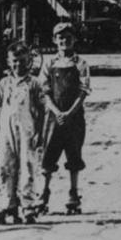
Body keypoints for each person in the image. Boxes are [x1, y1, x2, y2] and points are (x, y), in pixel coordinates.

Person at [39, 22, 92, 215]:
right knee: (48, 155)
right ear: (54, 40)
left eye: (68, 37)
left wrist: (69, 113)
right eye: (60, 37)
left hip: (74, 117)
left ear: (74, 40)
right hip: (53, 118)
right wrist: (56, 112)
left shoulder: (81, 63)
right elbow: (44, 91)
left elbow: (83, 91)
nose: (64, 41)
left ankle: (73, 194)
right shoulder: (49, 64)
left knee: (74, 154)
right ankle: (43, 194)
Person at [0, 42, 46, 225]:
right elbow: (0, 109)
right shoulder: (3, 83)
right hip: (6, 130)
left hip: (27, 129)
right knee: (5, 166)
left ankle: (28, 207)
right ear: (9, 62)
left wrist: (39, 132)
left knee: (27, 166)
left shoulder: (34, 84)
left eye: (22, 61)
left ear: (29, 61)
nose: (18, 65)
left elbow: (42, 111)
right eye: (14, 61)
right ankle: (9, 205)